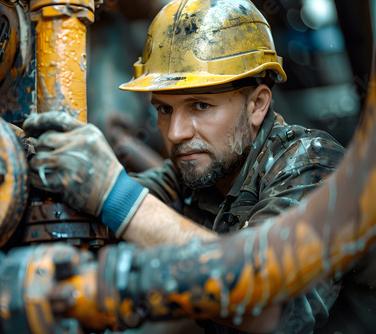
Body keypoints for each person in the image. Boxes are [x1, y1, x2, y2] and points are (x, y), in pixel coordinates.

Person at [23, 0, 347, 332]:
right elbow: (96, 216)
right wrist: (25, 160)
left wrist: (113, 193)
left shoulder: (311, 165)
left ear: (257, 105)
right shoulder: (194, 176)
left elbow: (268, 306)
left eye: (200, 105)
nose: (176, 134)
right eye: (164, 110)